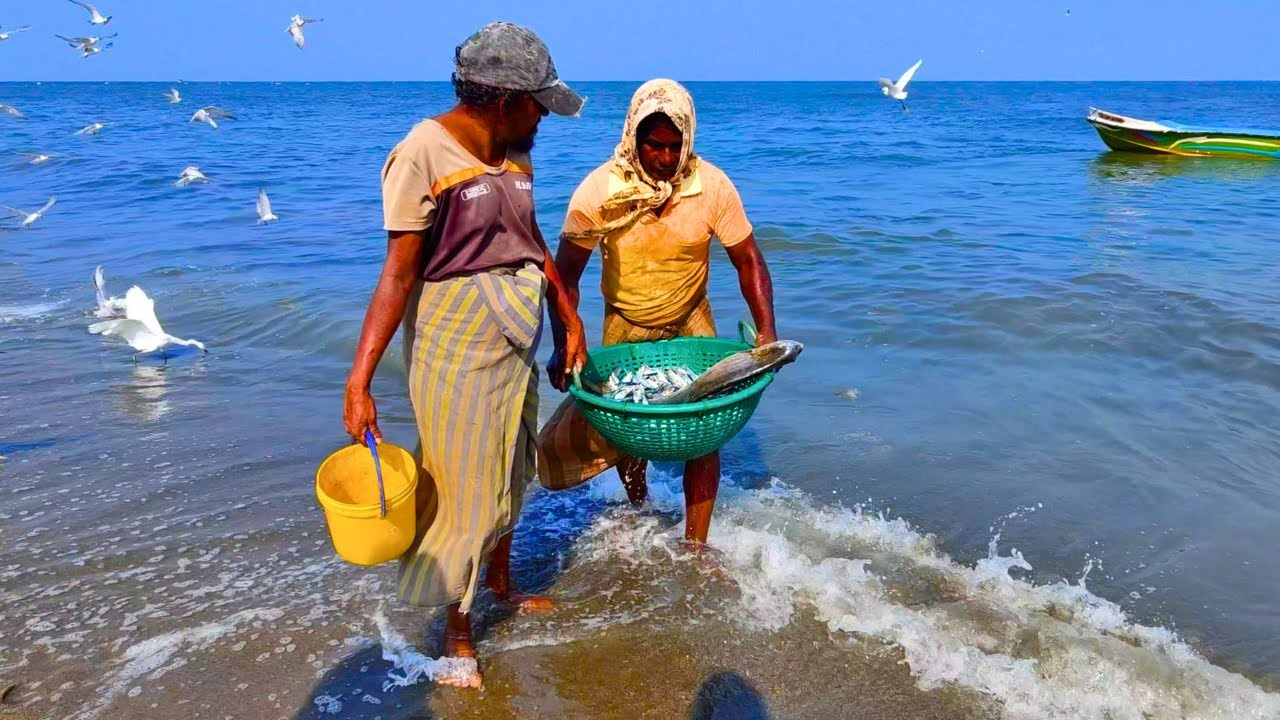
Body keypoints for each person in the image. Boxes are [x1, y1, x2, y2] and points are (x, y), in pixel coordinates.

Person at [342, 22, 587, 688]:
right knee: (460, 488)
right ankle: (456, 634)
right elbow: (397, 274)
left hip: (515, 333)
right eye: (538, 104)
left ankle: (501, 583)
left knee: (512, 467)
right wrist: (359, 381)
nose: (544, 117)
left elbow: (532, 242)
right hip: (454, 338)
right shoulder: (422, 152)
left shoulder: (514, 152)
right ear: (505, 100)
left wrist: (568, 318)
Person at [537, 79, 777, 544]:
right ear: (634, 138)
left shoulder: (713, 187)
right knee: (631, 433)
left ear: (687, 140)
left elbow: (749, 260)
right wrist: (563, 339)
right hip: (625, 322)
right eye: (655, 146)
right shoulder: (600, 192)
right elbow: (563, 277)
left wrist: (766, 331)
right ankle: (640, 505)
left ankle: (696, 544)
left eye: (675, 146)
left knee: (705, 436)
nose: (666, 158)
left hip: (692, 318)